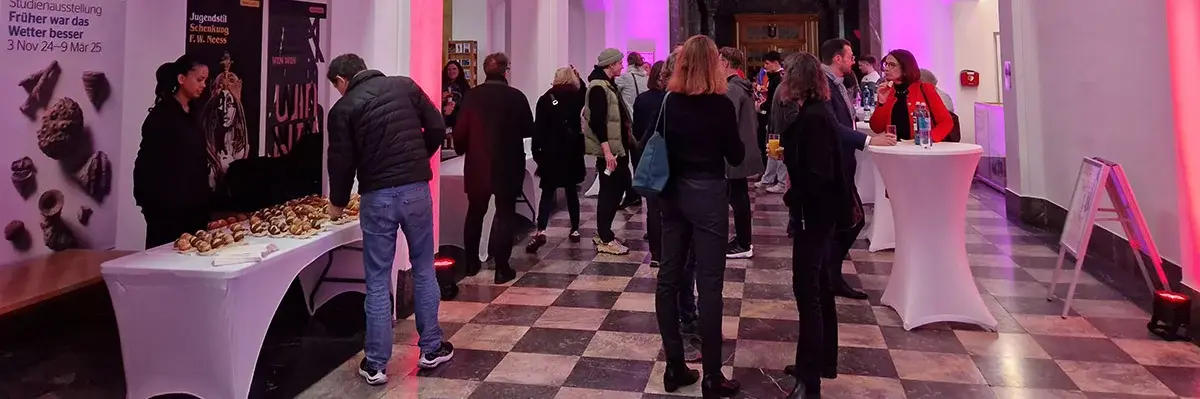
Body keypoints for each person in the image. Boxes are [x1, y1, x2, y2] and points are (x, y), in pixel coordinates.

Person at [325, 53, 453, 385]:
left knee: (378, 279)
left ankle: (377, 364)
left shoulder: (344, 108)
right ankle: (431, 348)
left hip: (376, 196)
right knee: (424, 268)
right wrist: (418, 157)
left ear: (342, 81)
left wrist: (337, 204)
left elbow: (341, 162)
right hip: (415, 191)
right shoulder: (405, 86)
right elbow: (438, 126)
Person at [654, 35, 744, 398]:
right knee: (710, 285)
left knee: (669, 278)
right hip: (707, 193)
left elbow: (653, 144)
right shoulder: (720, 106)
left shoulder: (669, 103)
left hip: (673, 194)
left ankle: (675, 365)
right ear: (713, 65)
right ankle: (711, 375)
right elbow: (736, 156)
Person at [771, 52, 859, 399]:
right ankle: (820, 361)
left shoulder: (812, 118)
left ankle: (811, 381)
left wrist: (794, 199)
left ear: (798, 80)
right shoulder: (815, 113)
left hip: (815, 217)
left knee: (808, 293)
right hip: (820, 215)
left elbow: (818, 174)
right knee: (820, 288)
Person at [633, 56, 702, 361]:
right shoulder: (670, 104)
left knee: (683, 266)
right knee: (679, 268)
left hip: (678, 193)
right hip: (680, 193)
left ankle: (687, 322)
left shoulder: (672, 103)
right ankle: (681, 332)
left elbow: (643, 139)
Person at [818, 38, 896, 301]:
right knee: (851, 220)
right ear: (837, 58)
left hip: (843, 161)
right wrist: (868, 141)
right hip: (832, 163)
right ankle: (828, 275)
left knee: (848, 220)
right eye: (850, 56)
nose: (854, 60)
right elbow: (832, 126)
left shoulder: (839, 83)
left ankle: (830, 274)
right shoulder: (823, 85)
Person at [454, 53, 534, 284]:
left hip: (478, 164)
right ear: (506, 71)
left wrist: (463, 149)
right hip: (507, 163)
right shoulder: (516, 97)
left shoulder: (472, 96)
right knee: (505, 214)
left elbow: (460, 132)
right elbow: (528, 129)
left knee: (475, 212)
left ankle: (470, 263)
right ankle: (501, 268)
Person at [135, 55, 214, 248]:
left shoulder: (194, 112)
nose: (203, 85)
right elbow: (146, 163)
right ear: (181, 79)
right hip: (167, 209)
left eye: (205, 80)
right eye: (199, 79)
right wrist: (150, 205)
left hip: (195, 206)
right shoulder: (160, 116)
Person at [527, 66, 587, 253]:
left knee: (547, 192)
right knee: (571, 193)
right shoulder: (576, 97)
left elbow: (538, 129)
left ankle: (541, 229)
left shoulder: (545, 99)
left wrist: (537, 153)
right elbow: (585, 94)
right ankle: (575, 229)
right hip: (571, 151)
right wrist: (580, 79)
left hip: (551, 153)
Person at [583, 48, 637, 255]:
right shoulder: (598, 88)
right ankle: (605, 237)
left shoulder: (607, 85)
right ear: (610, 64)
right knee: (610, 193)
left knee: (616, 189)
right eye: (619, 63)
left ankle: (603, 232)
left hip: (617, 148)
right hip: (611, 152)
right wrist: (606, 151)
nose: (622, 66)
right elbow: (597, 121)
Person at [718, 47, 764, 259]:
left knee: (738, 198)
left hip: (736, 150)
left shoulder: (732, 89)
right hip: (742, 147)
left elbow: (726, 121)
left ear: (726, 63)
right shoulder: (739, 86)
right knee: (738, 196)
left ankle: (744, 243)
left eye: (718, 60)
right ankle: (742, 240)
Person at [870, 49, 954, 142]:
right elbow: (876, 128)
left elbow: (946, 122)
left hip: (921, 149)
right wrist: (881, 103)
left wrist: (928, 138)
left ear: (905, 68)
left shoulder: (925, 89)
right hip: (894, 149)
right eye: (886, 64)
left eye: (892, 65)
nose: (886, 68)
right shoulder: (887, 91)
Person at [755, 51, 784, 165]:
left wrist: (760, 106)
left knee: (772, 144)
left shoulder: (778, 79)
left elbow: (773, 101)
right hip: (770, 115)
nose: (765, 66)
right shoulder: (773, 78)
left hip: (773, 116)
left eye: (767, 63)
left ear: (776, 63)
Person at [442, 60, 471, 129]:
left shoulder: (464, 85)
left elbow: (468, 103)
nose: (451, 71)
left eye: (454, 69)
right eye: (449, 69)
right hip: (444, 118)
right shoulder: (441, 84)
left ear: (459, 70)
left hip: (459, 119)